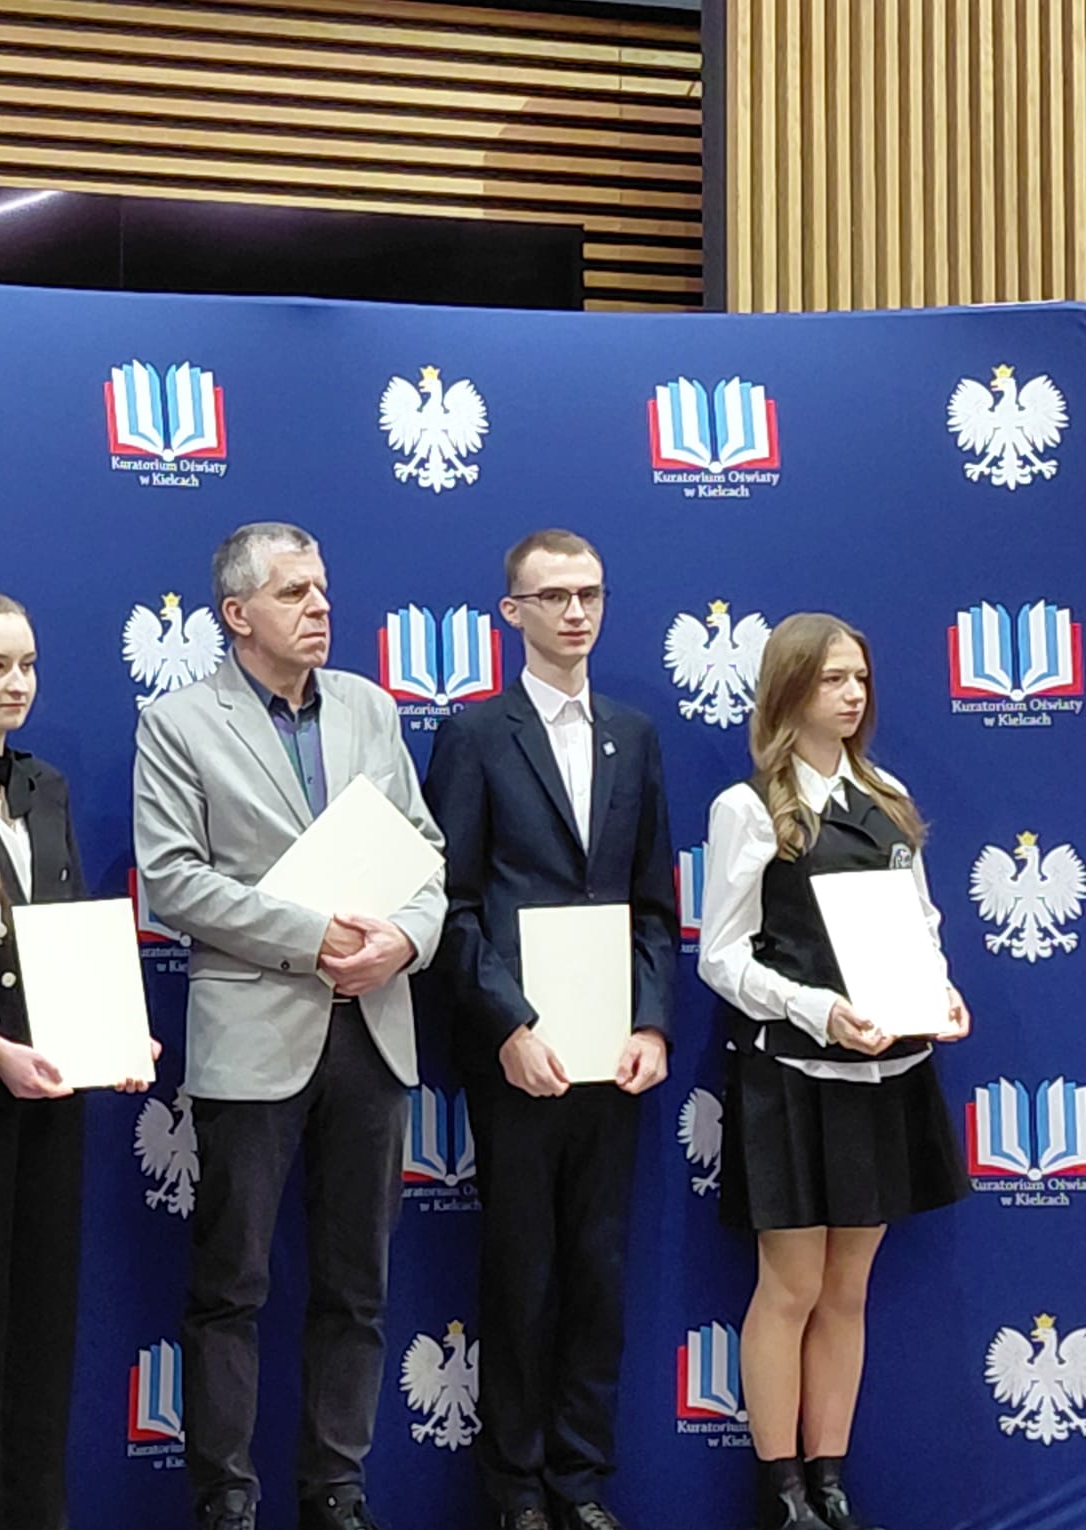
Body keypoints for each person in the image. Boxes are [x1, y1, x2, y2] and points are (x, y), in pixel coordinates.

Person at [132, 521, 447, 1530]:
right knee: (232, 1284)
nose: (320, 607)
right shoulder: (179, 722)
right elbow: (174, 879)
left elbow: (427, 855)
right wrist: (312, 938)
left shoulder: (370, 707)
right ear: (237, 614)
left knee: (359, 1285)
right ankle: (225, 1498)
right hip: (255, 1032)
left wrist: (405, 940)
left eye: (321, 589)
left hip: (375, 1029)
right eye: (294, 593)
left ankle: (337, 1492)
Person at [421, 529, 676, 1530]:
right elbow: (452, 904)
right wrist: (508, 1026)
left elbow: (653, 905)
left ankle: (581, 1483)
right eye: (555, 596)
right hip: (521, 1058)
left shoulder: (635, 735)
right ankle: (516, 1491)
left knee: (599, 1275)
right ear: (512, 612)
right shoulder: (476, 736)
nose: (576, 612)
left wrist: (651, 1024)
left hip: (615, 1056)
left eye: (591, 594)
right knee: (521, 1275)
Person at [696, 613, 971, 1530]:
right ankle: (781, 1494)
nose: (853, 695)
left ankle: (831, 1484)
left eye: (860, 678)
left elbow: (920, 924)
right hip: (791, 1077)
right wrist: (818, 1011)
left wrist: (940, 991)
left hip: (889, 1074)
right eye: (831, 680)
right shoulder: (751, 808)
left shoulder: (887, 797)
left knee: (847, 1290)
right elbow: (722, 956)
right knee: (792, 1287)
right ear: (788, 690)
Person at [0, 588, 155, 1530]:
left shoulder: (42, 783)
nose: (20, 684)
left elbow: (68, 928)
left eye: (29, 665)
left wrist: (116, 1028)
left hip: (54, 1090)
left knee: (43, 1331)